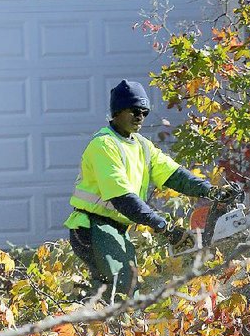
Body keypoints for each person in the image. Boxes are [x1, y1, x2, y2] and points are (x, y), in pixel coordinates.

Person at [65, 80, 238, 296]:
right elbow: (123, 198)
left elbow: (176, 176)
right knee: (122, 289)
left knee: (121, 289)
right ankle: (106, 325)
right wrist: (165, 228)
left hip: (115, 228)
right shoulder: (104, 145)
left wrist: (210, 190)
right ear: (118, 111)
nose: (140, 117)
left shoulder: (143, 146)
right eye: (135, 110)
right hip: (92, 226)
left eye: (144, 112)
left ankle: (91, 320)